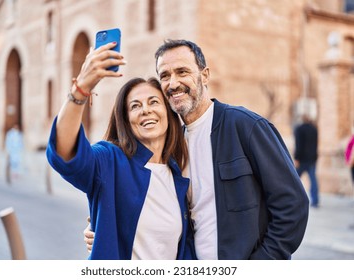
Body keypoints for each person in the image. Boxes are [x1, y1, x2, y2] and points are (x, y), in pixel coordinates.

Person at [84, 39, 309, 260]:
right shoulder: (172, 146)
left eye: (182, 72)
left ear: (204, 75)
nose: (173, 83)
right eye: (165, 75)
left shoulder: (245, 126)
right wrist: (104, 227)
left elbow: (293, 205)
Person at [46, 42, 195, 260]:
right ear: (125, 120)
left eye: (154, 102)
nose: (145, 110)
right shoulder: (110, 160)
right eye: (135, 106)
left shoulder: (179, 172)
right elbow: (65, 153)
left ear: (168, 112)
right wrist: (81, 90)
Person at [294, 113, 319, 207]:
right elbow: (316, 144)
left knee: (294, 180)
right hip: (312, 159)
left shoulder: (299, 129)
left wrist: (297, 158)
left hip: (302, 159)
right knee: (313, 180)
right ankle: (315, 201)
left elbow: (299, 145)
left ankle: (293, 199)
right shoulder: (314, 129)